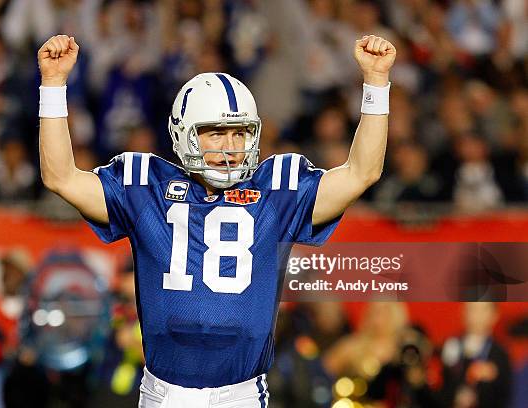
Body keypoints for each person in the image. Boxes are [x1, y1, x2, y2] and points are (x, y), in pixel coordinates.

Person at [37, 33, 396, 407]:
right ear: (183, 134)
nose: (230, 147)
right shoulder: (147, 187)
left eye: (239, 133)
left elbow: (361, 173)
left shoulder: (276, 191)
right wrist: (53, 84)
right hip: (164, 394)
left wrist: (375, 82)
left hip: (241, 395)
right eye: (215, 133)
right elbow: (60, 176)